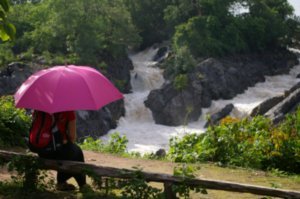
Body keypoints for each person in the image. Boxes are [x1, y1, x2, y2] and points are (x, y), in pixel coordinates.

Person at [35, 110, 87, 191]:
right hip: (56, 151)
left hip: (41, 150)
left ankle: (62, 183)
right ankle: (82, 185)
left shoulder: (39, 108)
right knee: (76, 153)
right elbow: (72, 137)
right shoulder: (68, 111)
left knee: (67, 153)